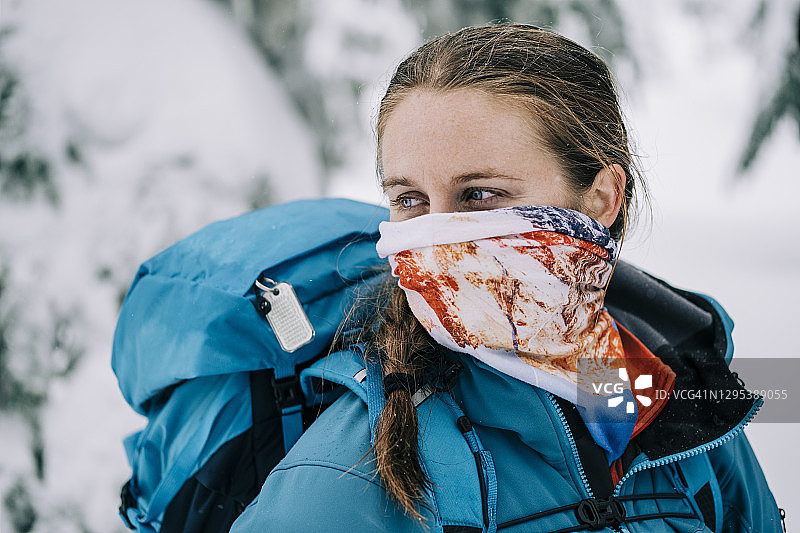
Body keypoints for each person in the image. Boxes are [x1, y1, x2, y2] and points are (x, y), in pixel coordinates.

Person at [230, 23, 782, 532]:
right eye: (410, 200)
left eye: (481, 195)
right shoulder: (343, 480)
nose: (437, 234)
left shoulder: (680, 396)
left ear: (601, 199)